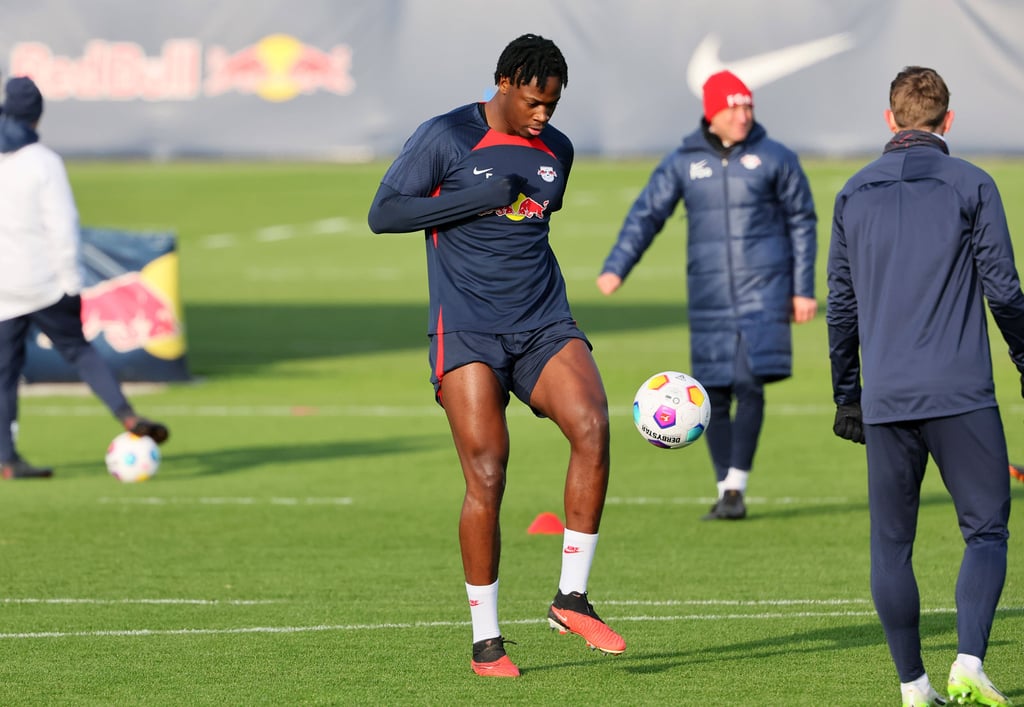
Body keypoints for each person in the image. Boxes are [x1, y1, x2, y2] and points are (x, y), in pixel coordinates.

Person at [366, 34, 625, 677]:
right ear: (504, 83)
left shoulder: (557, 152)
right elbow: (384, 212)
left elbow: (533, 221)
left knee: (593, 425)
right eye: (535, 101)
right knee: (487, 472)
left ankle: (572, 598)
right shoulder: (446, 137)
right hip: (468, 331)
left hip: (542, 321)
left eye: (554, 105)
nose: (544, 115)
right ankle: (487, 640)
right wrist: (472, 199)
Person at [828, 66, 1022, 707]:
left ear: (891, 120)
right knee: (986, 532)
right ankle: (968, 662)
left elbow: (842, 306)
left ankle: (913, 685)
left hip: (886, 400)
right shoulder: (973, 183)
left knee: (891, 546)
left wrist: (847, 394)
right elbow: (1004, 291)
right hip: (962, 392)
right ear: (949, 120)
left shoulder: (853, 193)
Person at [597, 70, 817, 520]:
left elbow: (803, 222)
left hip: (765, 292)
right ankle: (726, 489)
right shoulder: (683, 161)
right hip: (709, 293)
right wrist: (618, 266)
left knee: (749, 382)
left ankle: (736, 482)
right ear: (711, 112)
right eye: (733, 107)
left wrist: (802, 290)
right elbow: (647, 214)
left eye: (748, 106)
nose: (743, 115)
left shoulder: (777, 158)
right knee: (712, 390)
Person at [0, 76, 169, 480]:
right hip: (45, 283)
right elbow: (63, 225)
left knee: (4, 375)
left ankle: (6, 458)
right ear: (38, 114)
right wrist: (72, 280)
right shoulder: (44, 162)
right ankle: (125, 414)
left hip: (4, 287)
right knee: (79, 351)